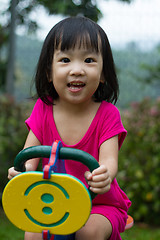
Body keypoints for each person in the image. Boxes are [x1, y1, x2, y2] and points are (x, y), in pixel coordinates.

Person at [8, 16, 131, 240]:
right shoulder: (43, 109)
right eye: (65, 60)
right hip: (53, 200)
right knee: (33, 234)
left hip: (99, 205)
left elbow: (109, 161)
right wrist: (21, 172)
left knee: (88, 231)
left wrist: (105, 174)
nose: (77, 70)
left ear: (103, 73)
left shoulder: (107, 114)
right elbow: (29, 156)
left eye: (89, 60)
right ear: (48, 71)